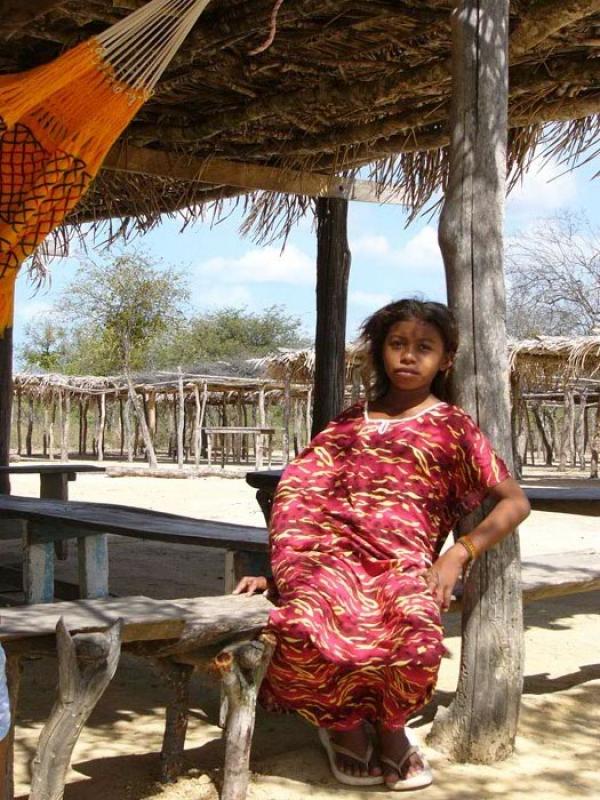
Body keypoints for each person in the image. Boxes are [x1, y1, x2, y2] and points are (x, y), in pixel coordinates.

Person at [234, 298, 530, 791]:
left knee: (415, 633)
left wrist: (459, 553)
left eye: (424, 347)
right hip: (327, 563)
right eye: (397, 344)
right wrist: (280, 574)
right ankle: (342, 727)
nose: (408, 356)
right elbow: (300, 500)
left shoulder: (453, 427)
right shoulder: (349, 423)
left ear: (446, 359)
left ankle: (392, 730)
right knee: (306, 623)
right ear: (380, 351)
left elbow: (514, 502)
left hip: (403, 562)